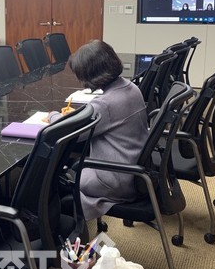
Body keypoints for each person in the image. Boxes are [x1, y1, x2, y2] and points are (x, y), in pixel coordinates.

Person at [46, 40, 148, 220]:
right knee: (66, 169)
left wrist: (53, 116)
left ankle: (61, 228)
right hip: (133, 171)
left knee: (49, 183)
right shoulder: (131, 87)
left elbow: (66, 133)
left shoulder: (105, 104)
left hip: (114, 181)